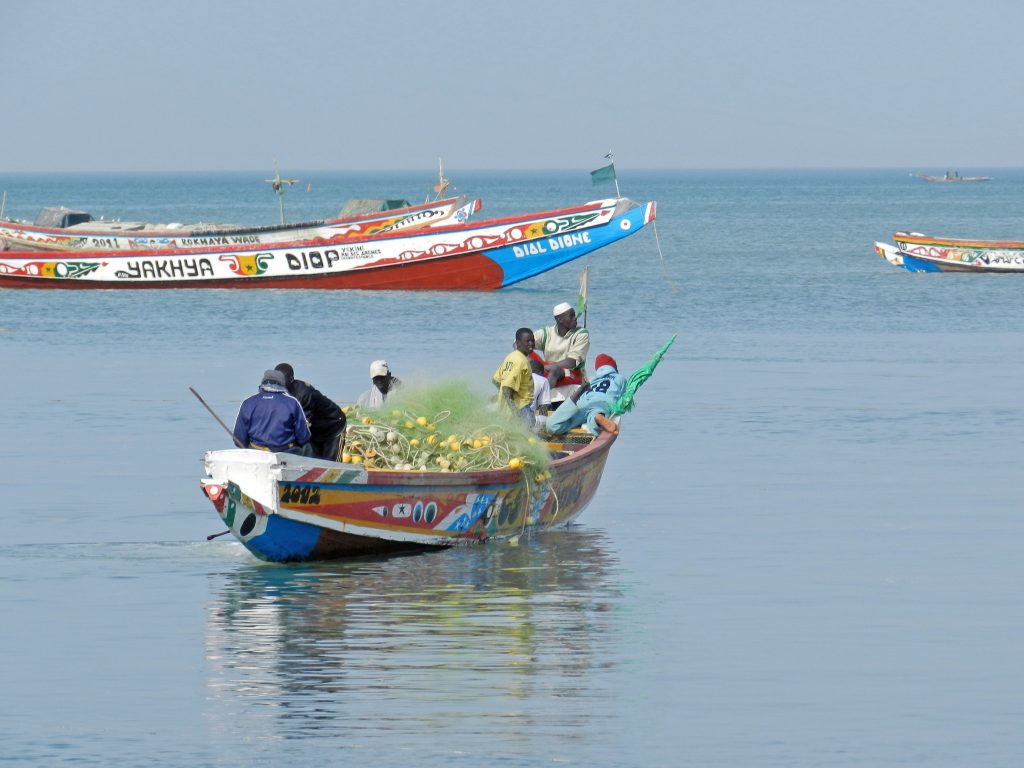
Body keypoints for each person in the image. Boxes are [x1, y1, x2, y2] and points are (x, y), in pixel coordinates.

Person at [274, 363, 347, 461]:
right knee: (315, 462)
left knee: (331, 465)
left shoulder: (303, 395)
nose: (278, 385)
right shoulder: (278, 392)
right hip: (315, 430)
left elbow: (303, 426)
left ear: (291, 379)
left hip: (333, 427)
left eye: (282, 381)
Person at [233, 369, 313, 455]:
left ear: (263, 383)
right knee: (308, 448)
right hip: (286, 453)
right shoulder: (292, 402)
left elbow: (238, 439)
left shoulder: (248, 403)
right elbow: (304, 437)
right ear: (282, 384)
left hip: (256, 452)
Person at [545, 353, 626, 436]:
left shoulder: (593, 379)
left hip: (583, 403)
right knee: (594, 416)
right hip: (602, 402)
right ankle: (597, 417)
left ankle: (573, 399)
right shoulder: (620, 378)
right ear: (614, 368)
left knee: (552, 425)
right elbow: (624, 398)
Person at [532, 301, 590, 404]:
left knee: (555, 369)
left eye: (574, 315)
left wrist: (544, 367)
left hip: (573, 374)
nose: (575, 318)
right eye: (571, 316)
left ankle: (539, 400)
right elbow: (519, 343)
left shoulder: (581, 334)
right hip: (548, 371)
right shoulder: (547, 333)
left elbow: (571, 362)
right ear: (559, 319)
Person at [493, 328, 536, 426]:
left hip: (506, 409)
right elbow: (506, 388)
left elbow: (495, 380)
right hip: (521, 409)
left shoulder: (510, 357)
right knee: (527, 437)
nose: (531, 344)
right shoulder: (521, 361)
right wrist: (515, 412)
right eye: (527, 341)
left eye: (532, 340)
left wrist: (507, 397)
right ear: (518, 343)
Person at [530, 357, 552, 429]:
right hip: (529, 419)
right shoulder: (543, 380)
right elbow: (544, 407)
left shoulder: (519, 376)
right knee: (551, 417)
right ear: (540, 372)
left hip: (512, 415)